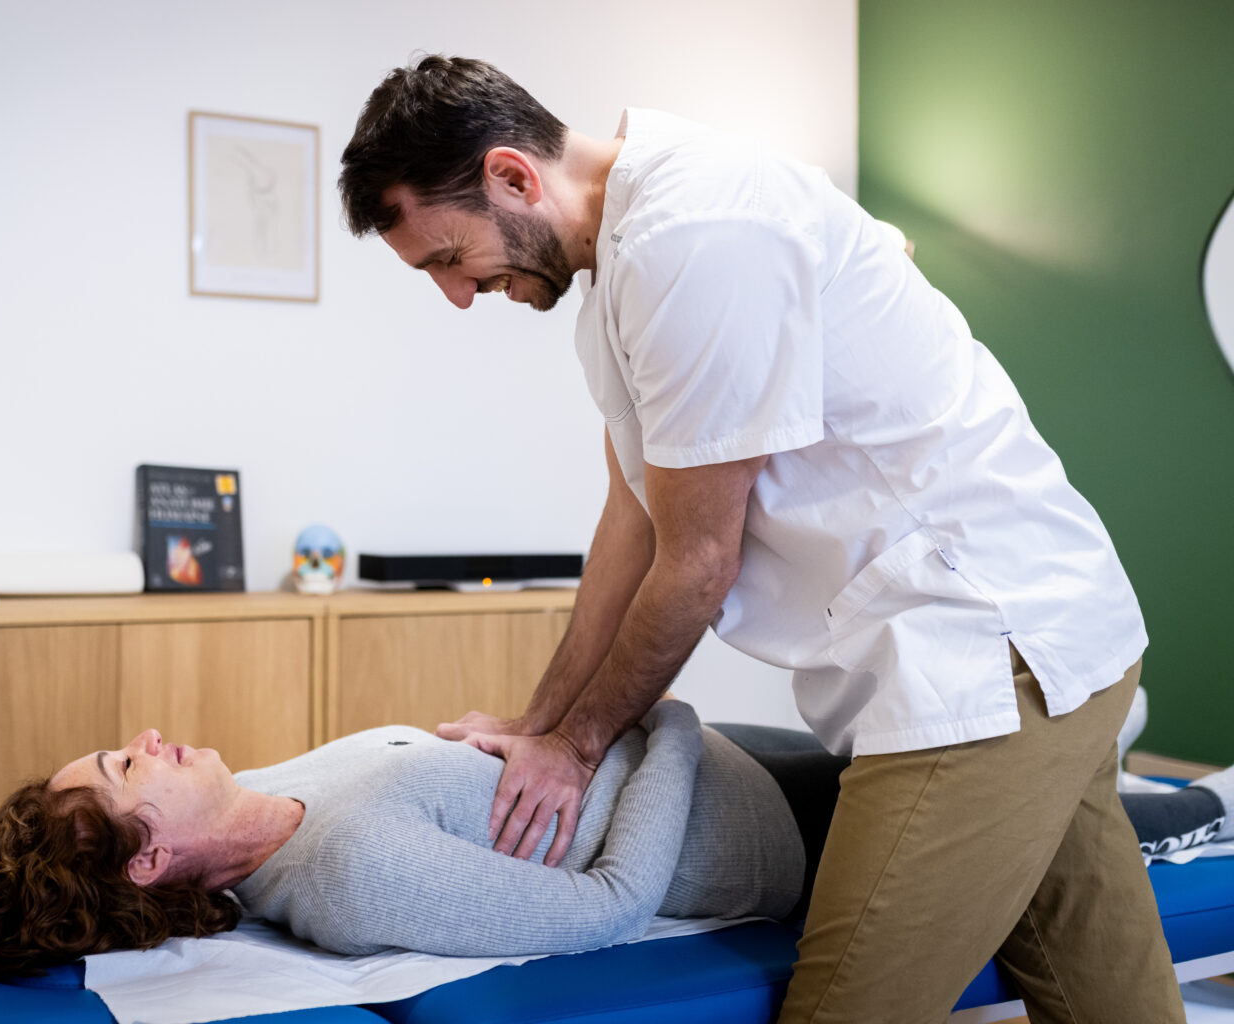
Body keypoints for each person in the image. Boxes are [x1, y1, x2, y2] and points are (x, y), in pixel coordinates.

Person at [337, 54, 1187, 1021]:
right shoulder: (622, 273)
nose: (456, 294)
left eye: (449, 259)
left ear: (513, 177)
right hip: (1003, 645)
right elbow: (633, 525)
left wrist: (574, 752)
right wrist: (536, 727)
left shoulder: (695, 232)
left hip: (993, 650)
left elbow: (698, 565)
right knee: (1114, 1007)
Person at [0, 710, 1234, 1003]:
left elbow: (425, 770)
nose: (148, 738)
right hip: (773, 820)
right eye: (129, 770)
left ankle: (1113, 753)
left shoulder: (272, 803)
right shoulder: (342, 880)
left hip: (723, 763)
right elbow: (607, 904)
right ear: (147, 864)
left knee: (1047, 760)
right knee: (1103, 809)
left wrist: (516, 733)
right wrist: (666, 724)